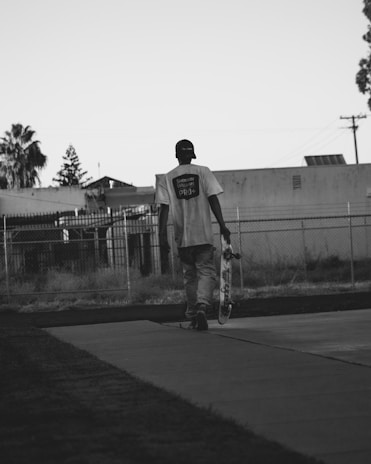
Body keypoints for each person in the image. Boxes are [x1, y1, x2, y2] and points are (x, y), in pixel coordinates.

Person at [156, 139, 230, 330]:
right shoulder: (203, 172)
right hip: (203, 235)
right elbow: (213, 199)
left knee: (190, 276)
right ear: (192, 155)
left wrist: (162, 236)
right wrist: (222, 225)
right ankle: (202, 307)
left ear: (176, 155)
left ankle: (193, 315)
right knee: (206, 271)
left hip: (183, 239)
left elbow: (163, 210)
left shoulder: (167, 178)